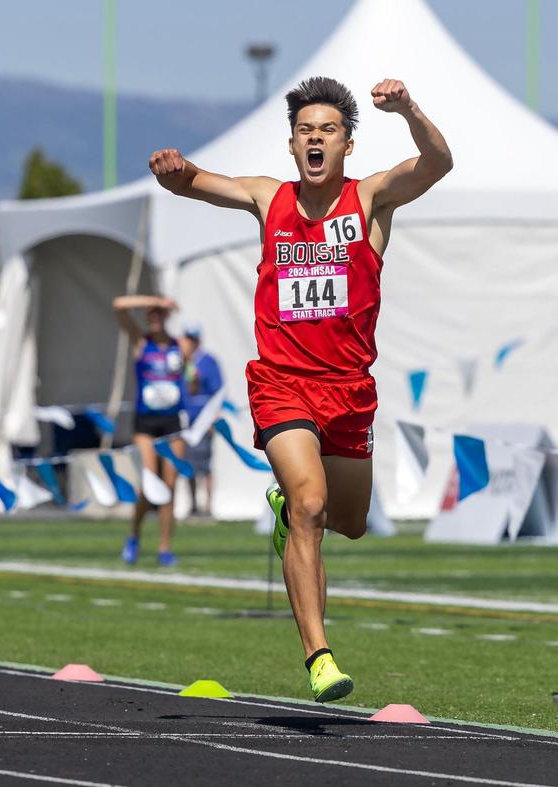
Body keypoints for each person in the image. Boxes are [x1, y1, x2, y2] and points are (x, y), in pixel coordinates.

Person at [150, 77, 451, 702]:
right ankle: (318, 654)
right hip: (282, 383)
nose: (316, 138)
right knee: (312, 501)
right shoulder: (269, 199)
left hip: (348, 390)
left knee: (350, 520)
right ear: (292, 146)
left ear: (346, 145)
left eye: (328, 130)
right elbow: (199, 183)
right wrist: (174, 170)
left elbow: (437, 163)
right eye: (305, 131)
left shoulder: (370, 200)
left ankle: (287, 513)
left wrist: (408, 110)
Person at [112, 295, 186, 567]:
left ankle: (165, 547)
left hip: (172, 424)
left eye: (159, 313)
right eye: (151, 314)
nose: (154, 317)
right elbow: (118, 306)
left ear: (166, 317)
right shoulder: (142, 342)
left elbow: (191, 382)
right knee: (149, 483)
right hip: (145, 423)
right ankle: (134, 535)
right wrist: (155, 299)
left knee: (169, 486)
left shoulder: (179, 346)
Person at [178, 323, 223, 516]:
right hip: (187, 420)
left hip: (204, 420)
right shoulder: (180, 361)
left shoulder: (208, 361)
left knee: (205, 465)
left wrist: (213, 418)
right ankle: (193, 504)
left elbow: (218, 391)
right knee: (189, 465)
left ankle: (209, 505)